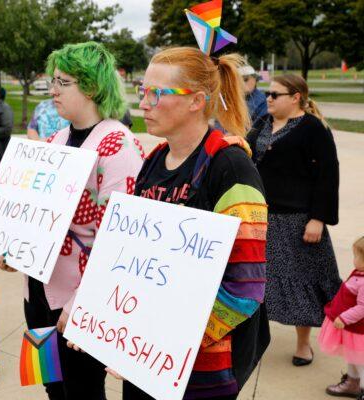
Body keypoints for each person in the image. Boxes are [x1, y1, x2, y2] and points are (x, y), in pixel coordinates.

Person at [0, 41, 145, 400]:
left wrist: (84, 301)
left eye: (63, 82)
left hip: (78, 297)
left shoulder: (118, 145)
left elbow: (119, 239)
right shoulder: (56, 138)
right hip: (38, 292)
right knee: (51, 383)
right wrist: (15, 247)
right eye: (53, 80)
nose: (53, 89)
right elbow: (36, 211)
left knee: (82, 390)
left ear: (92, 86)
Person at [121, 47, 270, 400]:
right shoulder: (154, 160)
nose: (144, 103)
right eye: (143, 91)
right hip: (142, 354)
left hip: (200, 370)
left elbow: (245, 289)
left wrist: (169, 340)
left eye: (156, 93)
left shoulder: (231, 169)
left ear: (196, 101)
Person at [246, 74, 341, 367]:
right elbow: (245, 153)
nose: (269, 98)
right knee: (257, 283)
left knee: (303, 282)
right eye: (269, 94)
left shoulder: (314, 129)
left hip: (297, 220)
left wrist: (318, 219)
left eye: (276, 94)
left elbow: (328, 175)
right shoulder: (262, 124)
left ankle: (303, 344)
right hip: (262, 216)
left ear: (296, 97)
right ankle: (253, 341)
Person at [319, 237, 364, 399]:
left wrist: (344, 318)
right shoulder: (360, 274)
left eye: (356, 256)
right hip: (353, 329)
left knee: (361, 363)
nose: (354, 260)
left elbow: (362, 307)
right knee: (354, 358)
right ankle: (353, 384)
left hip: (358, 330)